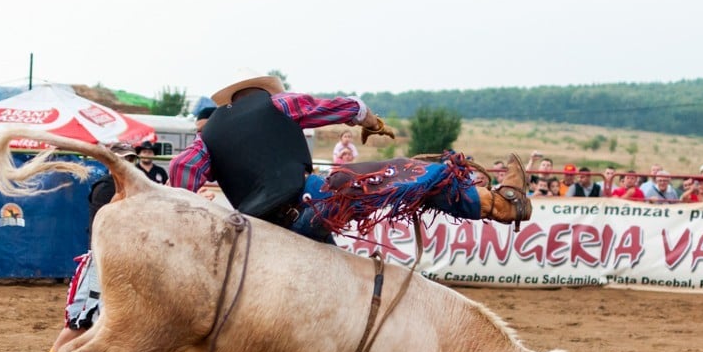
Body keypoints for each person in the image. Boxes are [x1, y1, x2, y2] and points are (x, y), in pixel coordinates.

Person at [169, 73, 530, 242]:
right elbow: (343, 107)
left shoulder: (208, 136)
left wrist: (184, 204)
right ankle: (501, 204)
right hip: (315, 203)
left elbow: (182, 168)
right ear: (262, 93)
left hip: (263, 232)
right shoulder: (277, 104)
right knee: (411, 173)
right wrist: (371, 119)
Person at [34, 142, 162, 352]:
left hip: (124, 261)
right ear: (110, 161)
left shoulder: (131, 187)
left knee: (128, 319)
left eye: (131, 159)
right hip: (102, 261)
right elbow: (110, 219)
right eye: (122, 158)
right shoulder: (106, 187)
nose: (128, 163)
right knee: (82, 322)